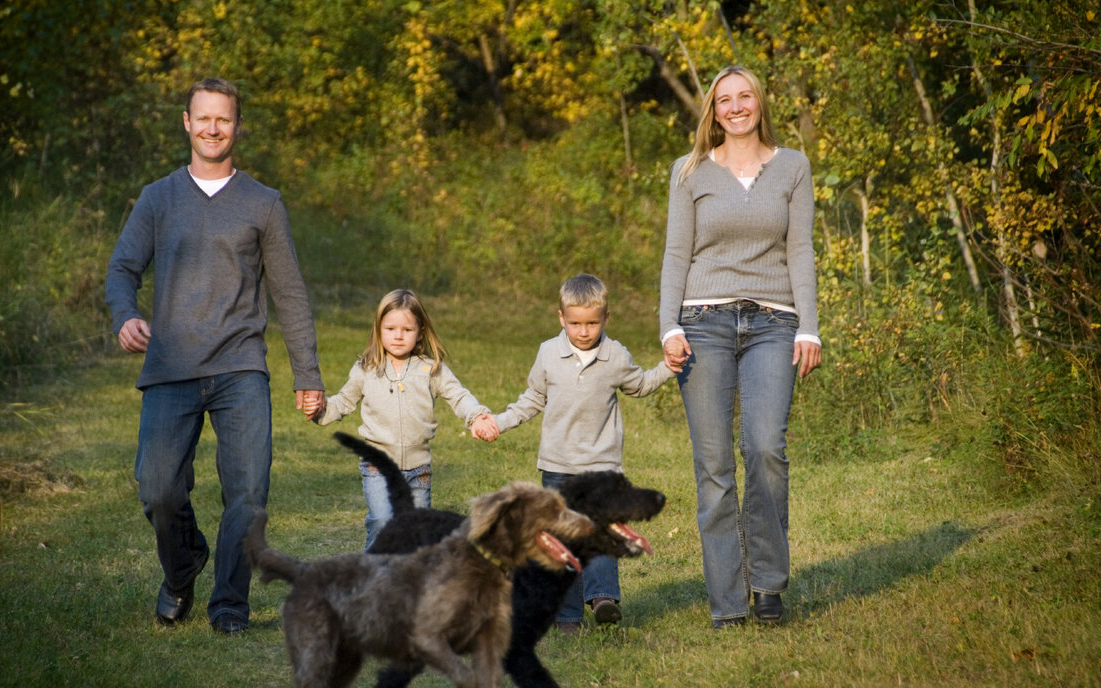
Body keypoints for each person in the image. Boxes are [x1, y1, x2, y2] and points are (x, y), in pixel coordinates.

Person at [105, 77, 326, 636]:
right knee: (157, 488)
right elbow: (122, 269)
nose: (212, 128)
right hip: (171, 367)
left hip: (239, 366)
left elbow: (290, 293)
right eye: (202, 118)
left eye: (222, 119)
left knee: (248, 493)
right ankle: (182, 568)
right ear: (186, 122)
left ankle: (229, 602)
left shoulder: (263, 203)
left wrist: (308, 374)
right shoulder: (158, 198)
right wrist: (125, 315)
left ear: (236, 126)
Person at [659, 65, 821, 629]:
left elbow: (800, 250)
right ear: (713, 111)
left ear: (759, 102)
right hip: (703, 322)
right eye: (723, 100)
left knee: (765, 449)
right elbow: (677, 255)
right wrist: (668, 327)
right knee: (713, 464)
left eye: (744, 96)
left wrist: (809, 327)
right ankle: (728, 602)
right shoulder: (690, 171)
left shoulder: (794, 167)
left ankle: (769, 585)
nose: (735, 107)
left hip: (775, 323)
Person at [486, 274, 673, 635]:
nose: (583, 331)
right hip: (558, 467)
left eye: (591, 323)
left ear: (605, 319)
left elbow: (639, 385)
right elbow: (532, 400)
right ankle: (567, 616)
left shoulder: (615, 355)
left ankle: (603, 599)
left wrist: (668, 367)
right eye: (575, 323)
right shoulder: (547, 354)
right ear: (561, 318)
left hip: (602, 467)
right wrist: (499, 422)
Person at [316, 289, 499, 550]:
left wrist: (477, 416)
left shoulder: (431, 369)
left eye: (406, 329)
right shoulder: (366, 369)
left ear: (420, 331)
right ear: (379, 330)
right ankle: (372, 582)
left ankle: (411, 587)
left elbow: (458, 396)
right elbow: (343, 401)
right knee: (382, 523)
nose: (398, 336)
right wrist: (320, 410)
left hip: (418, 470)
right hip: (378, 467)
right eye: (390, 328)